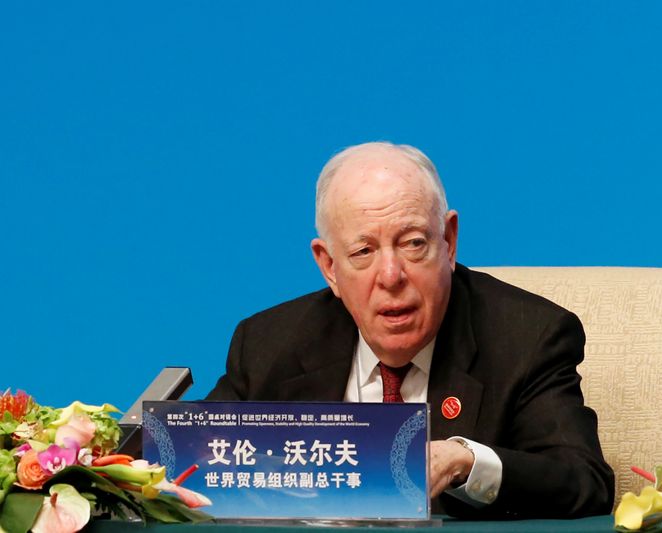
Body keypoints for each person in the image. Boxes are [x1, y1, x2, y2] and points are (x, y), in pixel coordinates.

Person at [207, 141, 614, 518]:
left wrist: (465, 463)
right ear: (329, 266)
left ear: (449, 242)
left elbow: (584, 481)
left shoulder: (528, 336)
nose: (390, 275)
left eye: (413, 243)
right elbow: (192, 464)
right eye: (363, 251)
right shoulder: (268, 343)